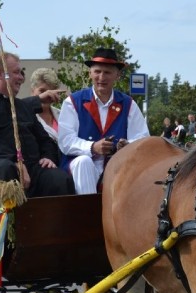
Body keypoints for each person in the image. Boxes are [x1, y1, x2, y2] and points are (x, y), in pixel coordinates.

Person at [0, 51, 75, 266]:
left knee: (59, 179)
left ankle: (52, 249)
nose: (21, 77)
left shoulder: (21, 107)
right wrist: (15, 161)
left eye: (21, 72)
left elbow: (45, 140)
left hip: (31, 167)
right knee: (6, 172)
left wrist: (49, 157)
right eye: (16, 73)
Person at [58, 47, 149, 194]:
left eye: (107, 72)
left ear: (117, 75)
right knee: (84, 162)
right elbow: (65, 141)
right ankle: (89, 214)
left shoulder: (128, 104)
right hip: (78, 167)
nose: (102, 77)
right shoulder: (73, 102)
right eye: (97, 71)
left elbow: (143, 139)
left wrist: (127, 145)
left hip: (116, 165)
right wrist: (92, 147)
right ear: (90, 73)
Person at [22, 67, 65, 165]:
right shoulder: (24, 116)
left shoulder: (62, 114)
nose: (47, 95)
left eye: (51, 91)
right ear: (32, 91)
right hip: (43, 167)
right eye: (42, 91)